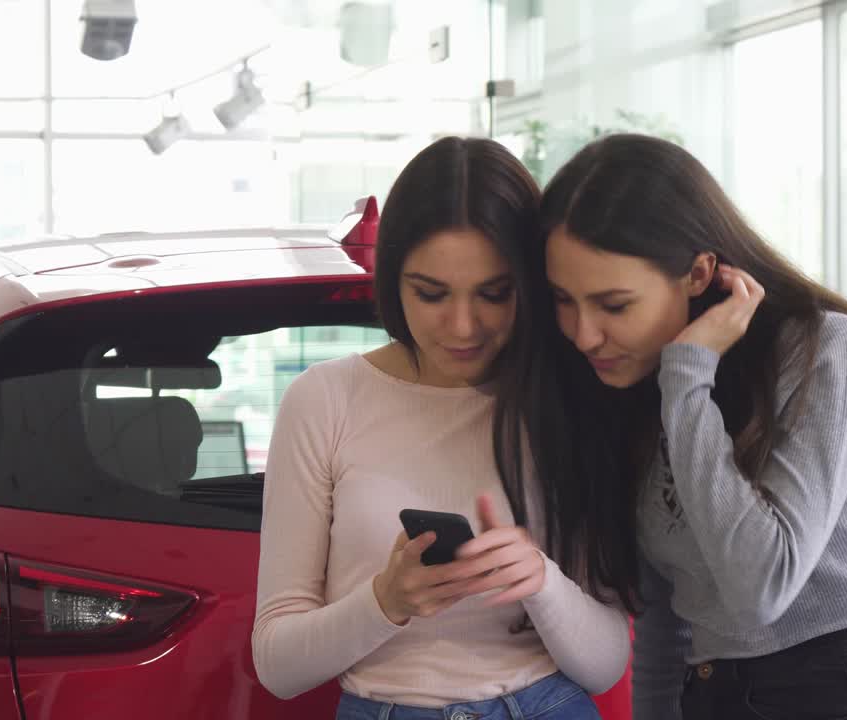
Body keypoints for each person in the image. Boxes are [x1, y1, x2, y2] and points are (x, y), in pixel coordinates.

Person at [533, 133, 847, 720]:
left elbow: (762, 588)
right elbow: (666, 624)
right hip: (712, 695)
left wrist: (688, 378)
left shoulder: (825, 349)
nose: (583, 334)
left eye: (614, 305)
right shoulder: (643, 388)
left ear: (700, 273)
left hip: (839, 691)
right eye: (563, 300)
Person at [251, 136, 630, 720]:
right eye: (430, 294)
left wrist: (541, 581)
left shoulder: (567, 398)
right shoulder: (325, 399)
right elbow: (278, 667)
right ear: (393, 281)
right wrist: (386, 600)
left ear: (530, 282)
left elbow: (605, 666)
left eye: (494, 293)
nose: (462, 325)